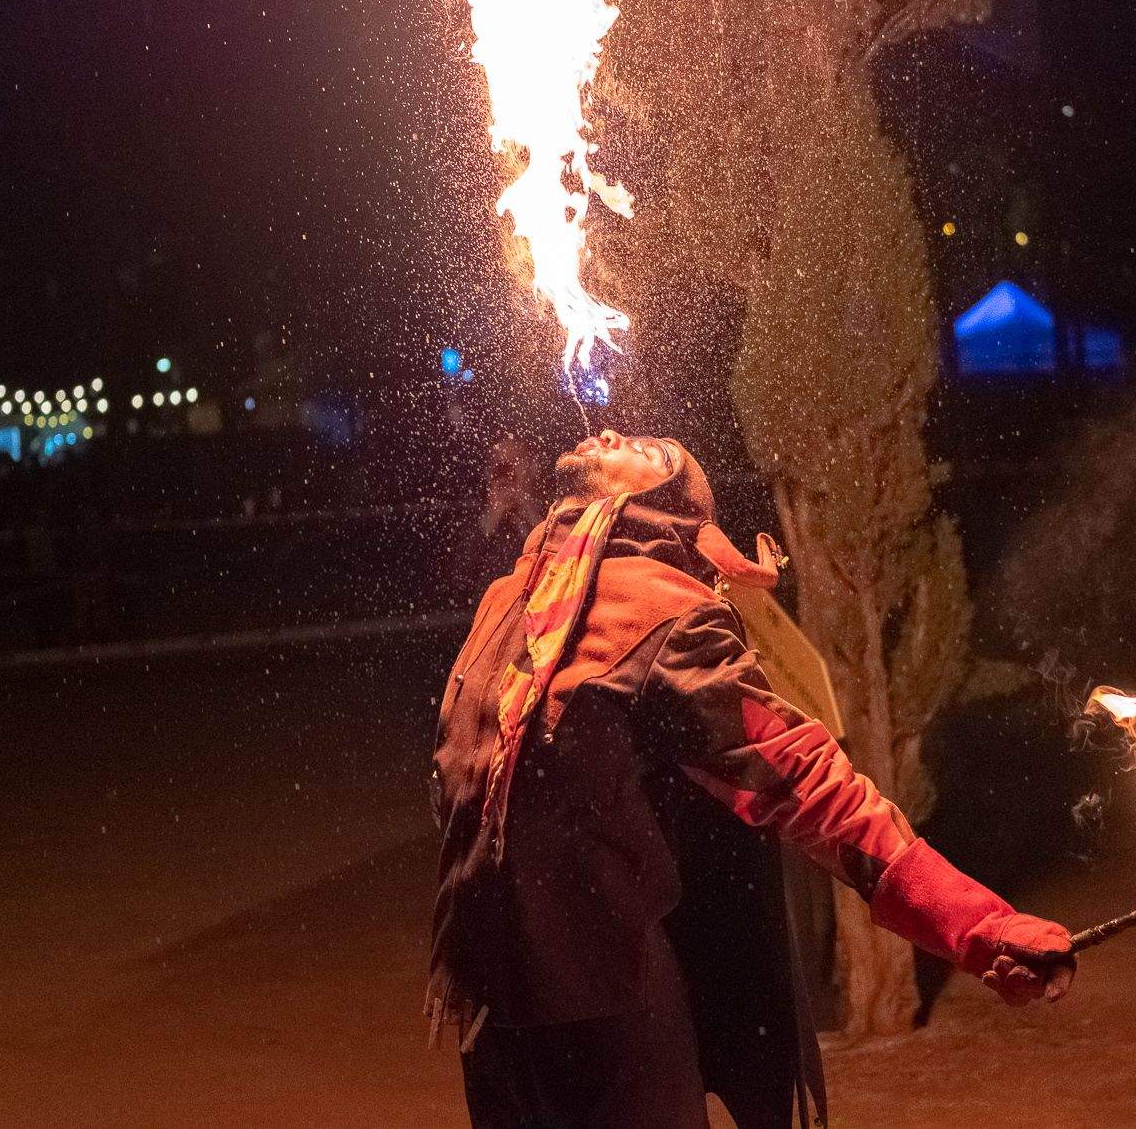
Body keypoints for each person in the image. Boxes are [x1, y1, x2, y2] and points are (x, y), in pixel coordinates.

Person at [429, 430, 1076, 1128]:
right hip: (497, 1011)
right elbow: (471, 781)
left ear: (660, 503)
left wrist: (980, 926)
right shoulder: (511, 594)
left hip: (610, 1016)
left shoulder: (666, 615)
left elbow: (811, 783)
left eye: (650, 450)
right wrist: (466, 937)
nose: (614, 432)